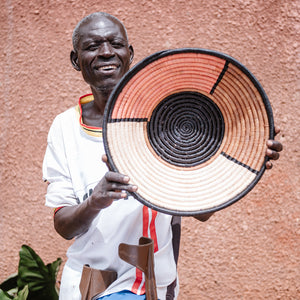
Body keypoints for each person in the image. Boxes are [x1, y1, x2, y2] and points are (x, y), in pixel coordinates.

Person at [42, 12, 283, 300]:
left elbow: (202, 212)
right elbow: (64, 226)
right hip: (89, 287)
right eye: (93, 46)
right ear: (75, 59)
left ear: (129, 54)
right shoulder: (65, 127)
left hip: (155, 286)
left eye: (115, 44)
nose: (106, 52)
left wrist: (243, 162)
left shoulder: (167, 123)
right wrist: (97, 200)